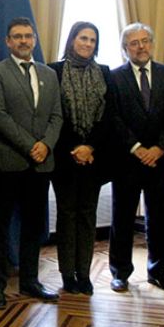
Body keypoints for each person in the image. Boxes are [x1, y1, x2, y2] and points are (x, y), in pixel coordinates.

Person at [0, 17, 63, 306]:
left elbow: (57, 115)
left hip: (40, 165)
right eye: (17, 36)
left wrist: (46, 145)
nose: (23, 41)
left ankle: (31, 281)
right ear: (8, 41)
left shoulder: (49, 74)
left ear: (35, 40)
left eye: (28, 36)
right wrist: (31, 145)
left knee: (33, 227)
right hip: (6, 164)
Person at [108, 23, 164, 294]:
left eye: (145, 41)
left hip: (160, 160)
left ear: (151, 43)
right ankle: (120, 272)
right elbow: (113, 118)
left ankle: (157, 270)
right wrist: (137, 147)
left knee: (160, 218)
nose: (141, 47)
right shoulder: (114, 78)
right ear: (125, 48)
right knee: (122, 217)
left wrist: (159, 148)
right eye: (134, 43)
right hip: (127, 160)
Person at [48, 21, 112, 295]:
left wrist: (90, 147)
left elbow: (109, 116)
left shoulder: (106, 73)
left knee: (87, 216)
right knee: (66, 215)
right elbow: (53, 115)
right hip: (64, 158)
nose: (88, 44)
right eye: (83, 38)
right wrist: (75, 148)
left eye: (92, 40)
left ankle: (84, 274)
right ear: (72, 40)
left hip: (93, 160)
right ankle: (67, 274)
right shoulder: (54, 71)